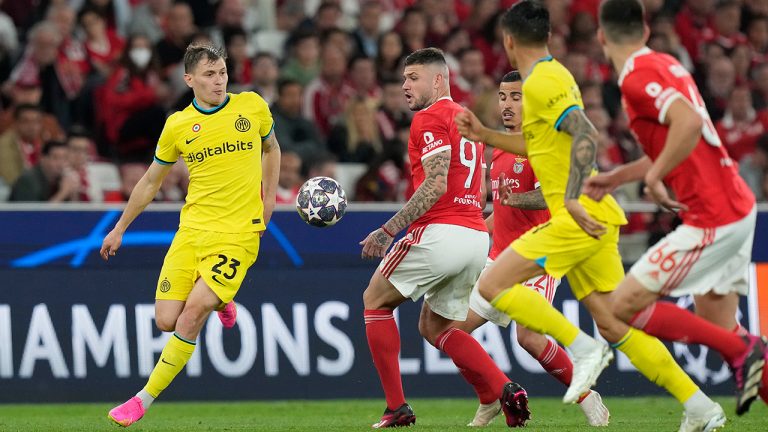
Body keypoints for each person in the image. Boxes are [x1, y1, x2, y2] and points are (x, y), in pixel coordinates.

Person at [454, 3, 722, 431]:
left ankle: (580, 349)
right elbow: (543, 146)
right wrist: (486, 135)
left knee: (492, 284)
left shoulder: (543, 80)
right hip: (591, 218)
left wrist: (574, 198)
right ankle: (700, 406)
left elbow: (585, 132)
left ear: (508, 41)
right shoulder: (547, 78)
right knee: (618, 324)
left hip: (576, 217)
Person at [590, 0, 767, 421]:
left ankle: (745, 351)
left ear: (601, 36)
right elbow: (677, 140)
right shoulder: (665, 64)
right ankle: (742, 349)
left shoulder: (637, 77)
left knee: (623, 305)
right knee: (721, 325)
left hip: (713, 215)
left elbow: (687, 125)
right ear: (647, 31)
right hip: (736, 206)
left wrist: (654, 180)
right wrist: (618, 177)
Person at [100, 43, 281, 427]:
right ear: (189, 79)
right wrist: (119, 229)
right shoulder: (178, 125)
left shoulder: (251, 106)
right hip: (192, 231)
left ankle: (141, 399)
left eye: (222, 73)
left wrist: (269, 200)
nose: (219, 81)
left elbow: (272, 147)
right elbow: (151, 181)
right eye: (209, 75)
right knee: (166, 320)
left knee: (190, 315)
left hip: (237, 234)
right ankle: (222, 301)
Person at [359, 47, 530, 429]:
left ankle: (396, 406)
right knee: (436, 328)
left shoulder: (429, 117)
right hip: (473, 237)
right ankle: (504, 389)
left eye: (413, 78)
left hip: (442, 232)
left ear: (438, 80)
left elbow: (435, 185)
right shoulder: (468, 119)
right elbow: (481, 190)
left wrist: (388, 230)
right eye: (404, 78)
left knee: (374, 300)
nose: (405, 86)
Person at [455, 70, 609, 428]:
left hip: (537, 255)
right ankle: (489, 396)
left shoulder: (542, 144)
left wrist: (516, 199)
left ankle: (584, 392)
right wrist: (477, 228)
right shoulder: (498, 151)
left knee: (527, 337)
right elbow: (503, 209)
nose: (507, 105)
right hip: (499, 257)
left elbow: (550, 197)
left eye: (517, 97)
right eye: (503, 97)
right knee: (453, 332)